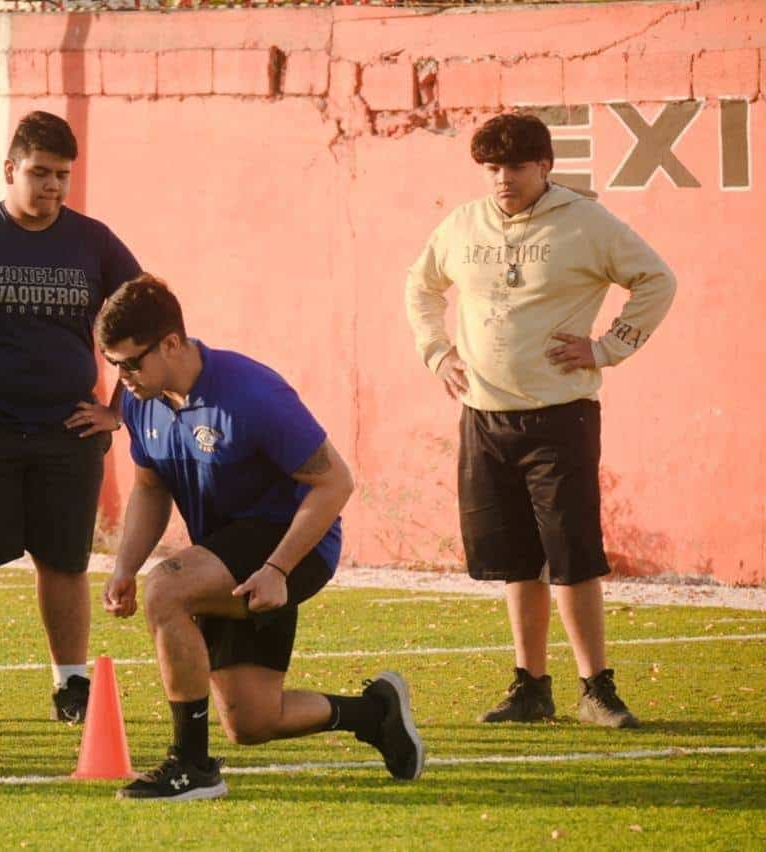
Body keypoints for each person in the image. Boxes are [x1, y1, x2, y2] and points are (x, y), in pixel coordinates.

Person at [99, 275, 424, 801]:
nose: (124, 376)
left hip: (294, 545)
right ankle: (374, 712)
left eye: (132, 362)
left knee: (167, 590)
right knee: (251, 721)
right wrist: (123, 566)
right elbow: (149, 487)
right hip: (227, 549)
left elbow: (335, 480)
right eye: (114, 364)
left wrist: (278, 568)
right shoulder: (142, 401)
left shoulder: (251, 393)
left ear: (172, 343)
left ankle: (191, 766)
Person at [405, 112, 676, 728]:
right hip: (483, 417)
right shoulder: (462, 224)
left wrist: (608, 347)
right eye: (492, 167)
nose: (503, 178)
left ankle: (597, 690)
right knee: (514, 561)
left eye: (517, 166)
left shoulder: (587, 222)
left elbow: (657, 280)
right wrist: (436, 350)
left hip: (560, 417)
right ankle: (530, 686)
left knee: (572, 556)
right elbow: (420, 288)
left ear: (545, 165)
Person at [0, 111, 141, 723]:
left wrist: (118, 408)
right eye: (40, 173)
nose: (52, 188)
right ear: (10, 169)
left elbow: (147, 313)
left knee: (64, 562)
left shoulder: (94, 241)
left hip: (66, 429)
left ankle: (72, 687)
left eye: (63, 176)